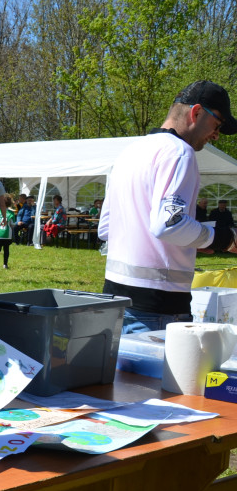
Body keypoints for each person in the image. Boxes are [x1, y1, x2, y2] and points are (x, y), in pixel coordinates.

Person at [99, 80, 237, 334]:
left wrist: (193, 239)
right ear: (196, 113)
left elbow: (106, 228)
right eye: (217, 125)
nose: (216, 135)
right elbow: (168, 224)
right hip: (157, 308)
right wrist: (221, 240)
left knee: (119, 375)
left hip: (113, 301)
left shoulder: (130, 152)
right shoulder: (180, 153)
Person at [0, 194, 17, 269]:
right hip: (7, 234)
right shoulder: (11, 213)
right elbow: (12, 225)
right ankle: (5, 264)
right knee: (6, 249)